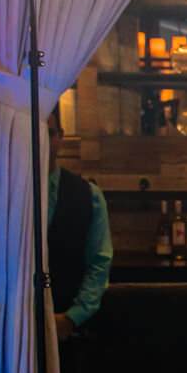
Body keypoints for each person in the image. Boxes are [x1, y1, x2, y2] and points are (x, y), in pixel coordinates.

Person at [46, 109, 112, 343]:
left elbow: (99, 263)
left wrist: (72, 317)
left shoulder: (88, 195)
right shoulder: (5, 195)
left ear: (60, 137)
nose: (42, 140)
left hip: (69, 329)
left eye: (49, 132)